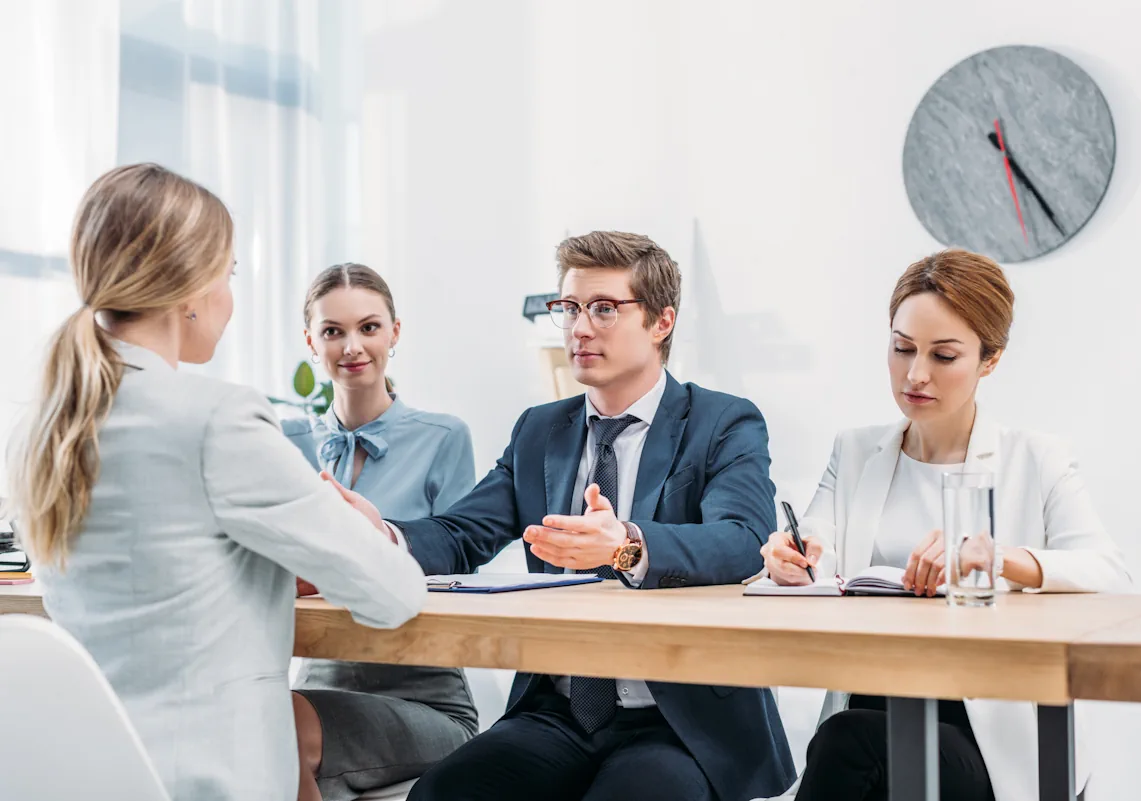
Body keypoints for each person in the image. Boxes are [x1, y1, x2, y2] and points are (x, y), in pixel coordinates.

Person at [4, 164, 427, 801]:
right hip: (214, 779)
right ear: (191, 288)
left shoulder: (43, 424)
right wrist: (370, 529)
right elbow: (392, 596)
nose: (230, 297)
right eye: (228, 274)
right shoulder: (215, 418)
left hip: (91, 772)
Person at [364, 230, 795, 801]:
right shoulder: (540, 429)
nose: (580, 328)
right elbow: (462, 532)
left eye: (604, 309)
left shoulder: (723, 421)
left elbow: (741, 541)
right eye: (568, 308)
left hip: (679, 723)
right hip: (560, 710)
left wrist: (626, 546)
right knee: (443, 792)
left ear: (662, 323)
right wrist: (377, 535)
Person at [759, 248, 1131, 801]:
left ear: (990, 359)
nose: (916, 374)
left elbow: (1109, 575)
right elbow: (819, 550)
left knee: (846, 743)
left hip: (985, 736)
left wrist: (996, 558)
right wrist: (789, 560)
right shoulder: (857, 451)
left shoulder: (1035, 459)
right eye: (902, 348)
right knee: (849, 740)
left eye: (944, 356)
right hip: (871, 705)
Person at [282, 263, 479, 801]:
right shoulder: (283, 440)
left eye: (368, 327)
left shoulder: (443, 438)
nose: (352, 346)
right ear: (310, 340)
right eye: (332, 331)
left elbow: (459, 571)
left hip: (424, 698)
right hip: (315, 683)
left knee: (279, 733)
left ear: (395, 332)